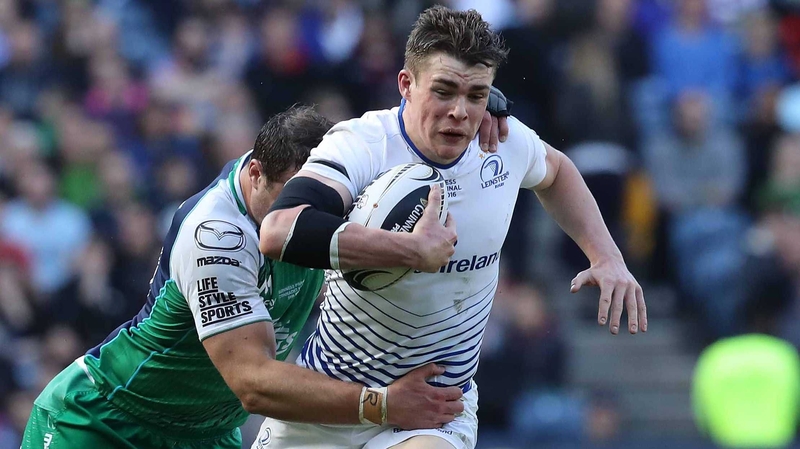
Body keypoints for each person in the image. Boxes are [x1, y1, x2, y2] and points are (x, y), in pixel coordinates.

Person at [257, 6, 647, 449]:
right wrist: (408, 251)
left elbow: (556, 171)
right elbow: (279, 231)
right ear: (406, 84)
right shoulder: (362, 143)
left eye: (477, 95)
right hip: (335, 398)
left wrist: (606, 256)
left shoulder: (503, 142)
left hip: (436, 410)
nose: (460, 112)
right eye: (443, 91)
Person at [21, 103, 512, 449]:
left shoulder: (334, 186)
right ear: (255, 173)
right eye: (286, 199)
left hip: (205, 435)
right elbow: (253, 384)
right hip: (105, 423)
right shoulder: (217, 235)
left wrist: (475, 106)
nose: (302, 215)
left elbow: (403, 123)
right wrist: (381, 405)